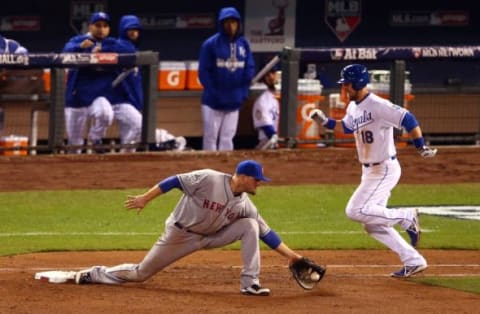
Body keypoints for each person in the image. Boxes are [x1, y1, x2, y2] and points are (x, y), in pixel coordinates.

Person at [75, 160, 314, 296]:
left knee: (250, 226)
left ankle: (250, 283)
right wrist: (145, 198)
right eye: (257, 179)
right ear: (242, 176)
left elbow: (267, 234)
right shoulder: (209, 179)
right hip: (180, 235)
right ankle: (96, 273)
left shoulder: (245, 204)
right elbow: (174, 181)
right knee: (140, 274)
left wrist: (294, 257)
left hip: (211, 237)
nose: (260, 183)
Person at [309, 64, 437, 278]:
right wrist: (323, 121)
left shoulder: (378, 105)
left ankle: (406, 216)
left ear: (358, 83)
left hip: (384, 168)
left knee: (354, 210)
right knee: (372, 225)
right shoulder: (353, 106)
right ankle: (413, 260)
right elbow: (346, 127)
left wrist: (420, 146)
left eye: (347, 84)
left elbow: (409, 119)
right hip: (369, 171)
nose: (344, 89)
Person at [198, 7, 255, 151]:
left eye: (234, 22)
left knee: (227, 138)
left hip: (234, 100)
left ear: (239, 24)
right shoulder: (210, 44)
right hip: (213, 101)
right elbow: (204, 72)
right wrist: (213, 92)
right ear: (221, 24)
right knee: (210, 138)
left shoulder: (244, 44)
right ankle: (209, 171)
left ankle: (224, 169)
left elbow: (249, 68)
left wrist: (243, 91)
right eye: (227, 23)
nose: (231, 26)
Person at [62, 12, 118, 154]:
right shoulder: (79, 40)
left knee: (106, 114)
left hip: (97, 96)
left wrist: (104, 51)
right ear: (90, 26)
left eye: (105, 26)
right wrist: (80, 47)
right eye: (98, 25)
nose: (101, 29)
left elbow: (127, 50)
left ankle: (95, 138)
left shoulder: (111, 43)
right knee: (75, 144)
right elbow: (65, 52)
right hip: (76, 98)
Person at [106, 15, 144, 153]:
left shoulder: (133, 48)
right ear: (123, 30)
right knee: (141, 126)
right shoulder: (116, 45)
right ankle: (124, 155)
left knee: (129, 134)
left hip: (132, 99)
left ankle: (123, 162)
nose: (134, 32)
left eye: (136, 29)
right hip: (120, 99)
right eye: (130, 29)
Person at [252, 67, 280, 150]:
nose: (271, 77)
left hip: (282, 140)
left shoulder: (282, 97)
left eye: (273, 73)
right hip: (268, 141)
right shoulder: (262, 100)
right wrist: (276, 140)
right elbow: (266, 126)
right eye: (267, 75)